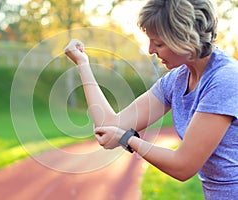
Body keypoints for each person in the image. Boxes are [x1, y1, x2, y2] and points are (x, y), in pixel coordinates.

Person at [64, 0, 238, 199]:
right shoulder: (177, 80)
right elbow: (107, 126)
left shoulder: (225, 80)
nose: (150, 50)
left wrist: (127, 138)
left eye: (158, 43)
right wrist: (82, 64)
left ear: (184, 38)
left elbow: (183, 166)